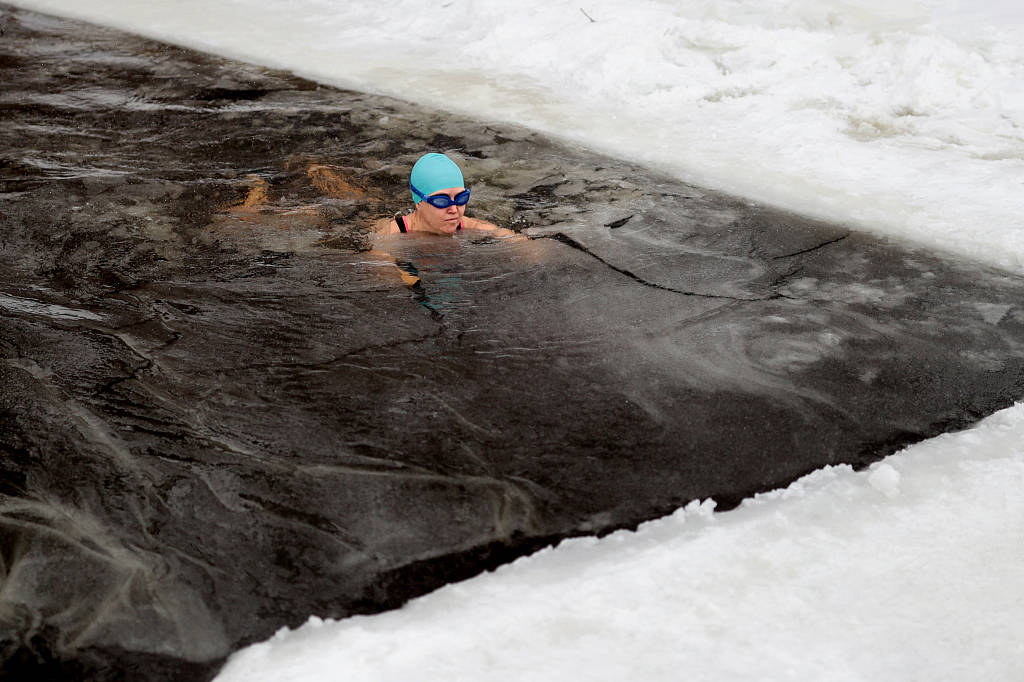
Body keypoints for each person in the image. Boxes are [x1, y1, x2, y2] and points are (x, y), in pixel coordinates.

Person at [374, 153, 511, 236]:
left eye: (460, 198)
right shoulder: (391, 234)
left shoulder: (472, 227)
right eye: (441, 201)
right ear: (419, 202)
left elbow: (509, 237)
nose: (454, 210)